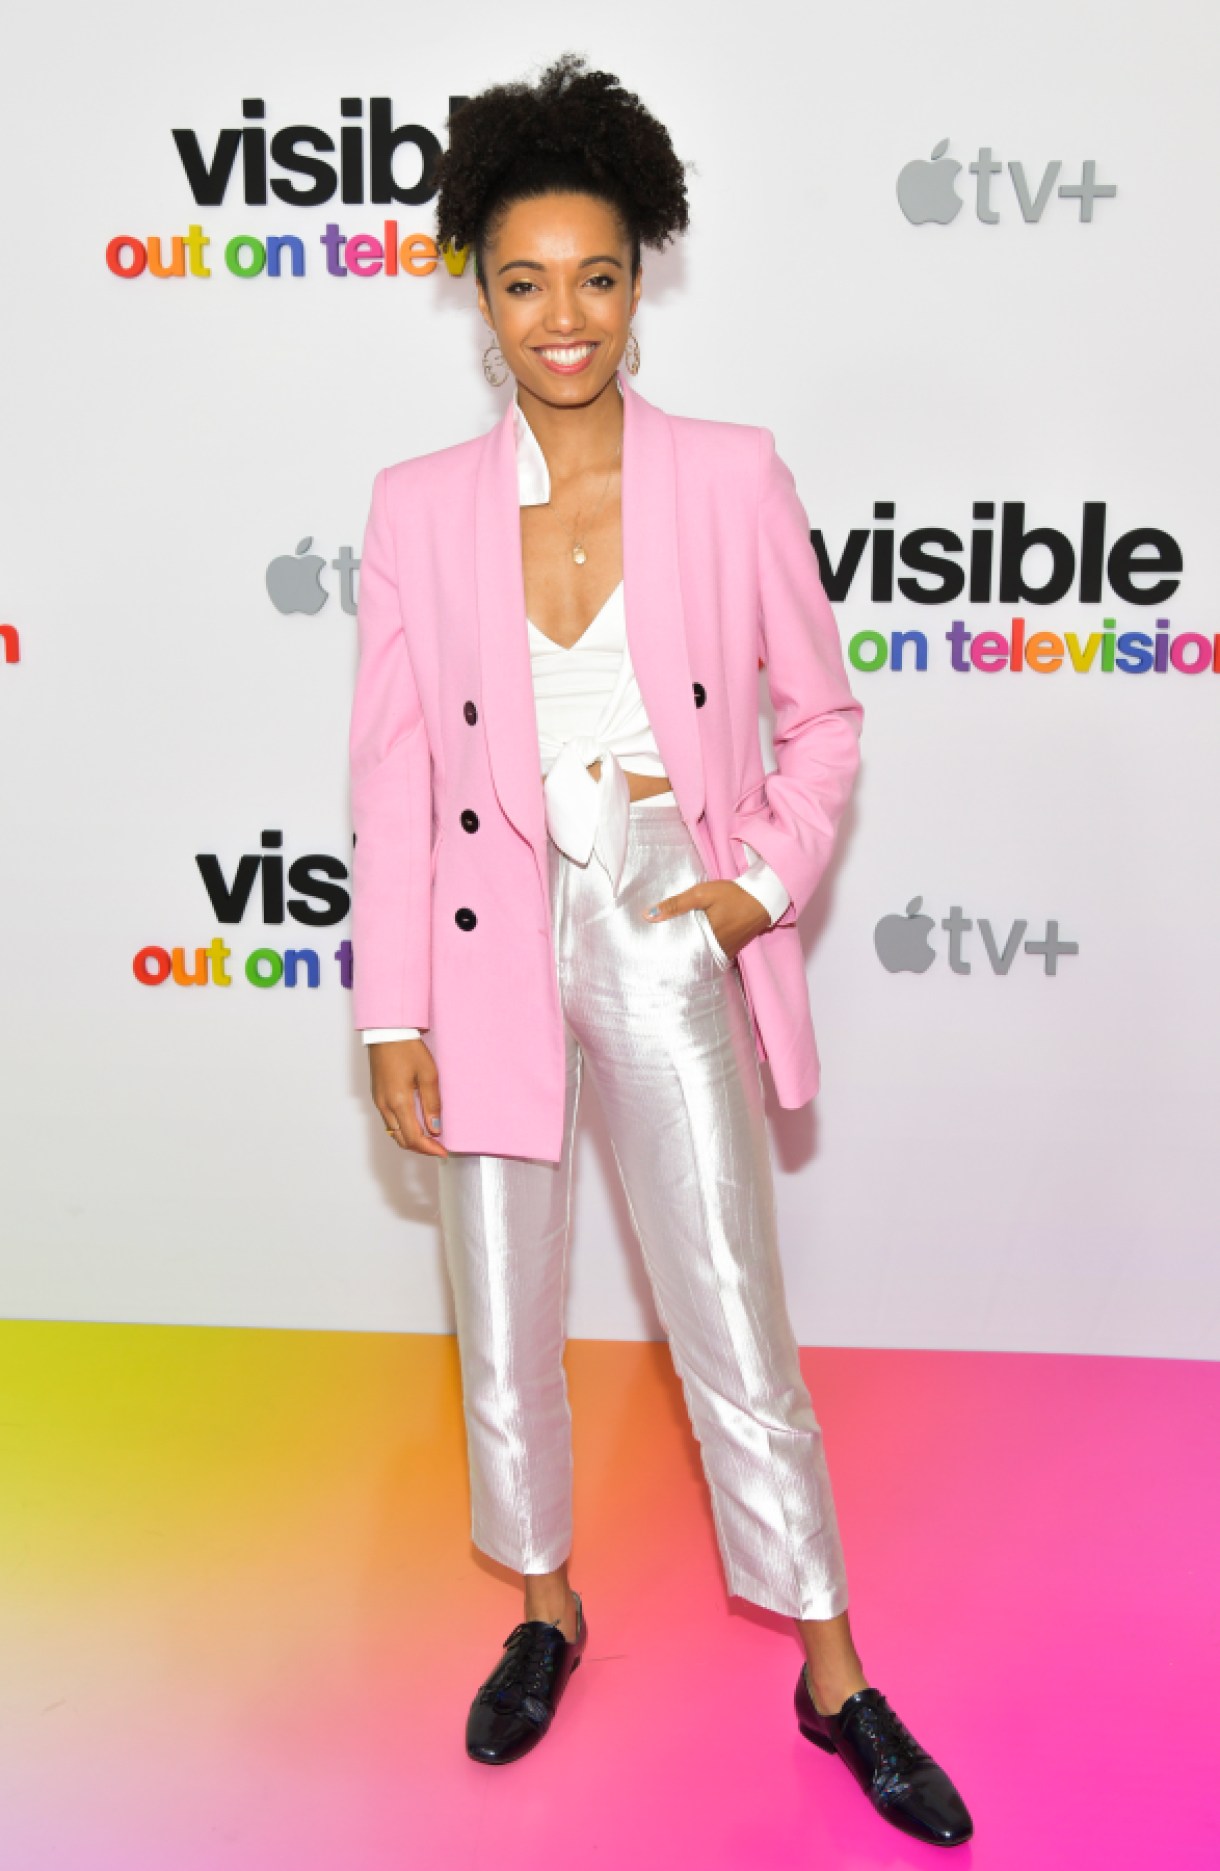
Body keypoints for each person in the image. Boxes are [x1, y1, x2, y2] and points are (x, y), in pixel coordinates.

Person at [348, 53, 972, 1849]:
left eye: (599, 276)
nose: (565, 318)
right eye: (525, 280)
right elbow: (394, 782)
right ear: (478, 290)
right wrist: (392, 1007)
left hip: (653, 914)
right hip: (476, 937)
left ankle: (833, 1670)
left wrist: (750, 885)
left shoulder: (729, 474)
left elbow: (825, 721)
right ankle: (545, 1611)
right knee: (502, 1317)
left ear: (646, 278)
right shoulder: (413, 509)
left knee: (729, 1312)